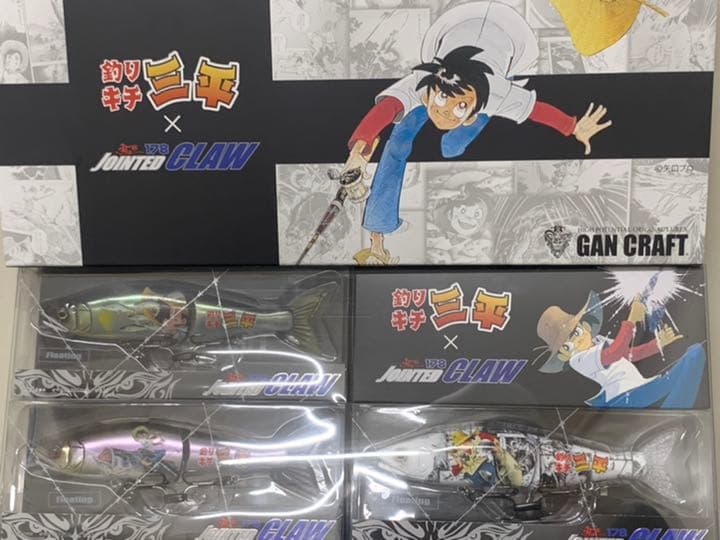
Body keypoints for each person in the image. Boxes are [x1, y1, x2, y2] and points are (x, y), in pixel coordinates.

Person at [342, 2, 612, 264]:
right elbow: (388, 107)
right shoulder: (423, 84)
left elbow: (536, 110)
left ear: (473, 108)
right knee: (398, 141)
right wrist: (358, 151)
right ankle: (380, 225)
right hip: (460, 30)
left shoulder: (499, 95)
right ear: (430, 89)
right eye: (441, 99)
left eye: (460, 107)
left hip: (506, 49)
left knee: (452, 147)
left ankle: (471, 121)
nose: (445, 112)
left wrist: (573, 127)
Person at [536, 291, 706, 408]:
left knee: (694, 353)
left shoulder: (598, 340)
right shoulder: (578, 360)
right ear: (564, 355)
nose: (576, 341)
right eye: (567, 346)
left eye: (576, 332)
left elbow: (628, 354)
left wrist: (657, 344)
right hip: (624, 397)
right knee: (690, 360)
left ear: (585, 325)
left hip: (638, 388)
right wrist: (631, 319)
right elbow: (614, 353)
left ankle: (674, 412)